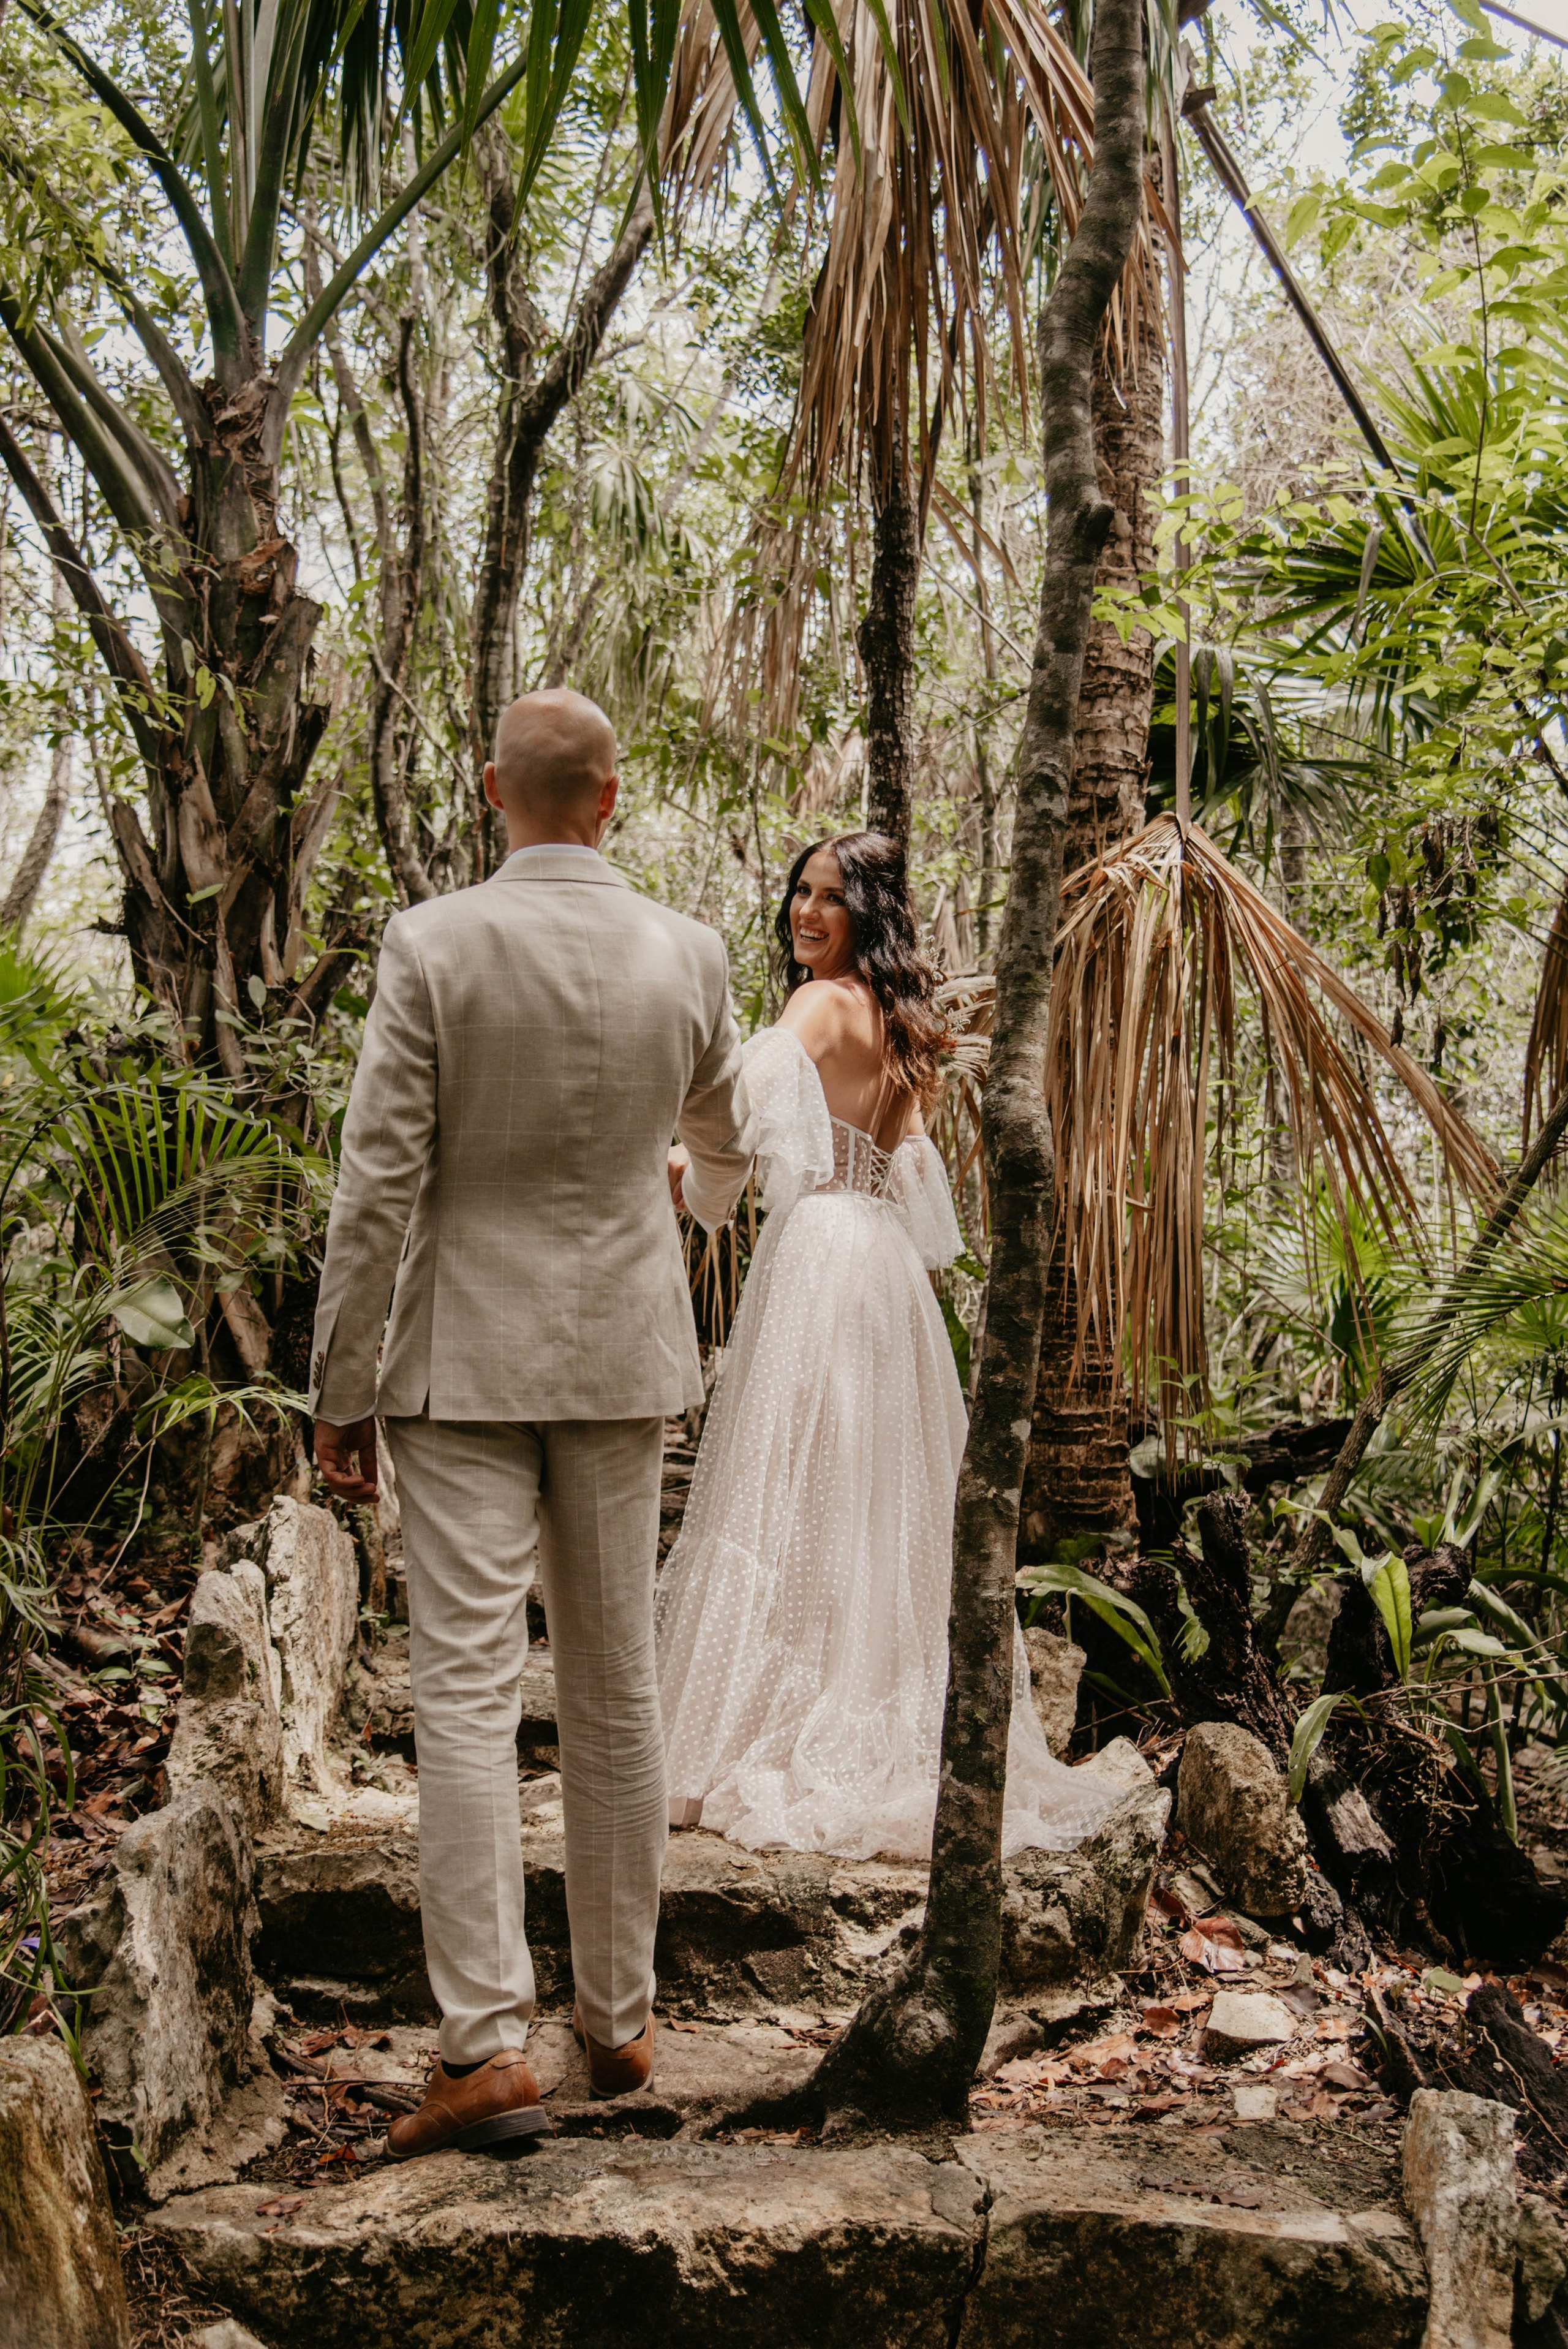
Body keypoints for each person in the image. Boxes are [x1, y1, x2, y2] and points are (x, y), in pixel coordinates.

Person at [310, 689, 755, 2159]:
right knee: (616, 1681)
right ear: (612, 797)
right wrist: (666, 1213)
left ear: (493, 787)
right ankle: (618, 2018)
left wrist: (341, 1385)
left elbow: (378, 1178)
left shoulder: (435, 942)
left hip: (460, 1361)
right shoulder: (688, 952)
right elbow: (722, 1146)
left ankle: (483, 2044)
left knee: (462, 1689)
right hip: (626, 1354)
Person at [655, 830, 1117, 1863]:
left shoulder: (818, 1005)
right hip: (885, 1271)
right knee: (864, 1500)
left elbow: (738, 1101)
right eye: (799, 893)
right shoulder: (906, 1023)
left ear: (867, 911)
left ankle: (741, 1730)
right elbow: (915, 1182)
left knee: (788, 1487)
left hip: (819, 1249)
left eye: (829, 898)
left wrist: (686, 1157)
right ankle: (861, 1694)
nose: (805, 914)